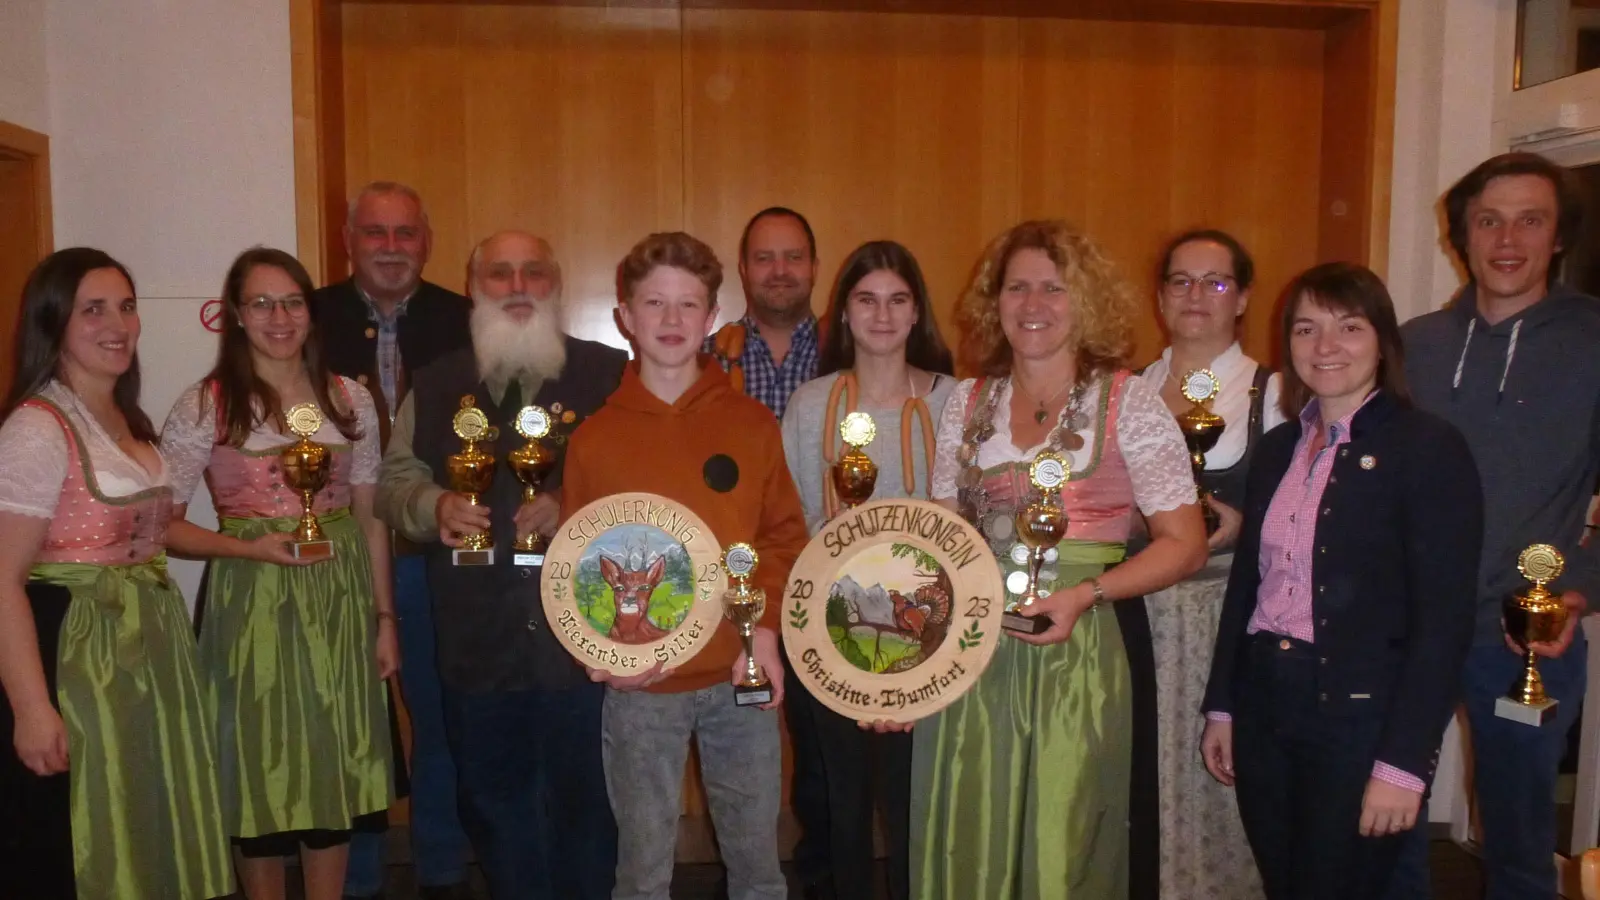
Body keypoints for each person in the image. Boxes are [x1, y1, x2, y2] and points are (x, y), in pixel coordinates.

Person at [915, 219, 1209, 899]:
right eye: (1017, 287)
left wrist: (1088, 593)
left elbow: (1185, 543)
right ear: (995, 301)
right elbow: (944, 539)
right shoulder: (967, 400)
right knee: (972, 828)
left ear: (1085, 301)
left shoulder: (1129, 401)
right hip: (978, 650)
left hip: (1081, 650)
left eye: (1053, 287)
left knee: (1067, 836)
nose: (1033, 304)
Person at [1200, 262, 1483, 899]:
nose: (1326, 347)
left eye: (1348, 327)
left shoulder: (1429, 448)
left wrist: (1404, 765)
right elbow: (1249, 589)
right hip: (1267, 701)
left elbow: (1443, 625)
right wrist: (1224, 704)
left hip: (1359, 719)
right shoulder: (1277, 449)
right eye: (1306, 329)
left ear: (1382, 339)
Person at [376, 230, 624, 899]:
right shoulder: (432, 384)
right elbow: (393, 484)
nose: (517, 287)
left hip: (590, 641)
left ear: (557, 283)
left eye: (533, 273)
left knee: (591, 806)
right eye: (499, 274)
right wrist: (435, 506)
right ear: (473, 285)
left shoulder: (612, 376)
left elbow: (648, 489)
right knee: (492, 803)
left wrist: (574, 501)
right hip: (477, 637)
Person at [564, 231, 809, 900]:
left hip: (741, 677)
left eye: (687, 305)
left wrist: (765, 637)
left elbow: (784, 536)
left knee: (758, 866)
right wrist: (592, 645)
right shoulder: (594, 439)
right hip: (643, 688)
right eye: (654, 303)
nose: (671, 321)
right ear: (625, 316)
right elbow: (577, 564)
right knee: (642, 871)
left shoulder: (753, 424)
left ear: (711, 317)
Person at [160, 247, 396, 900]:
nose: (279, 316)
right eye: (261, 303)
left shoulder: (349, 397)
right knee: (255, 775)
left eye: (292, 301)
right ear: (236, 315)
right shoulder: (205, 405)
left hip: (340, 598)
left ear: (310, 313)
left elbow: (372, 517)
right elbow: (164, 525)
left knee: (333, 770)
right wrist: (247, 548)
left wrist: (385, 619)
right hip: (252, 603)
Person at [0, 248, 234, 900]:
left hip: (145, 653)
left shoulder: (125, 421)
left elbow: (158, 535)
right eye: (93, 309)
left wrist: (253, 547)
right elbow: (1, 579)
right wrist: (31, 707)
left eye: (126, 307)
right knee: (93, 832)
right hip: (80, 656)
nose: (118, 324)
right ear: (55, 324)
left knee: (148, 818)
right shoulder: (37, 429)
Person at [1400, 151, 1600, 900]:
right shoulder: (1413, 345)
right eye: (1489, 220)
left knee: (1517, 838)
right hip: (1409, 626)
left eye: (1530, 220)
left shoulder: (1593, 342)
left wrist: (1575, 590)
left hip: (1526, 638)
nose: (1507, 239)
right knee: (1387, 818)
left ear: (1557, 238)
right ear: (1462, 236)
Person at [311, 180, 474, 900]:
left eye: (404, 233)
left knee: (442, 720)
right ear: (349, 240)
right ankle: (361, 878)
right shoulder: (307, 318)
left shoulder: (466, 321)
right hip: (344, 558)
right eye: (374, 233)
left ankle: (442, 870)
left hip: (439, 556)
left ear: (426, 240)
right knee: (362, 726)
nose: (389, 248)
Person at [779, 240, 955, 900]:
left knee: (920, 810)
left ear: (916, 314)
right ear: (843, 314)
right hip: (836, 632)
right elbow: (795, 524)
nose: (882, 315)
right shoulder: (808, 405)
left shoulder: (957, 403)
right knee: (839, 807)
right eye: (866, 299)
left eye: (898, 300)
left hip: (933, 635)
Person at [1136, 229, 1284, 899]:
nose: (1196, 296)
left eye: (1215, 282)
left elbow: (1310, 519)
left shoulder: (1274, 394)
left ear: (1244, 296)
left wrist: (1246, 527)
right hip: (1132, 620)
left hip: (1223, 624)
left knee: (1217, 786)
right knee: (1137, 778)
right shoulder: (1125, 392)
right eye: (1180, 281)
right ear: (1160, 295)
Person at [706, 205, 830, 896]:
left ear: (814, 266)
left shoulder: (849, 350)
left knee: (819, 751)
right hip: (740, 583)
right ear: (744, 269)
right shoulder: (711, 357)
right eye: (764, 258)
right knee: (742, 744)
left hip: (832, 576)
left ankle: (820, 872)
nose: (779, 271)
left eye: (793, 257)